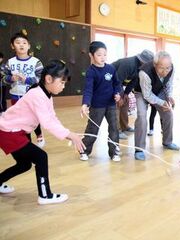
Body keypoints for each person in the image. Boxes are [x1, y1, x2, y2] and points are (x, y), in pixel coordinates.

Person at [0, 60, 85, 204]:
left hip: (13, 131)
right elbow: (47, 123)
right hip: (9, 132)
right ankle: (45, 195)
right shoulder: (37, 95)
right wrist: (70, 135)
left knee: (24, 164)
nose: (63, 87)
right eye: (62, 83)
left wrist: (68, 133)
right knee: (40, 157)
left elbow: (52, 117)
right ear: (48, 79)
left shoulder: (46, 94)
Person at [133, 51, 180, 160]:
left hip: (159, 90)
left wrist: (168, 96)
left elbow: (168, 84)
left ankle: (167, 142)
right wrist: (161, 102)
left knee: (168, 113)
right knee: (141, 117)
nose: (165, 71)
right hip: (142, 93)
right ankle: (139, 149)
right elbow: (147, 95)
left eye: (168, 68)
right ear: (155, 65)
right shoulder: (144, 72)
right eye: (161, 68)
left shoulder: (171, 68)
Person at [1, 32, 45, 148]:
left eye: (24, 43)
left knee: (34, 117)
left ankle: (39, 134)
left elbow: (42, 79)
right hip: (16, 96)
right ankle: (27, 144)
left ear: (29, 46)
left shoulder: (36, 62)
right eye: (18, 43)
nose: (21, 45)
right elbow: (3, 78)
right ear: (12, 46)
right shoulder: (10, 62)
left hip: (32, 96)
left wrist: (28, 80)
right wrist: (11, 78)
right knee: (21, 120)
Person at [80, 41, 121, 162]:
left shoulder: (111, 68)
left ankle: (114, 152)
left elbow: (117, 84)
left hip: (111, 105)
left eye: (104, 54)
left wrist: (117, 94)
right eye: (99, 55)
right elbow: (88, 90)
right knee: (93, 128)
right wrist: (85, 104)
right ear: (91, 55)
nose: (102, 57)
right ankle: (84, 150)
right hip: (97, 106)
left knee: (114, 128)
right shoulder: (91, 72)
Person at [112, 50, 154, 139]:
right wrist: (119, 97)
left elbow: (133, 81)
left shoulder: (141, 67)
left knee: (125, 102)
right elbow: (117, 81)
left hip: (118, 83)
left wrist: (126, 94)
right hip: (109, 81)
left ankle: (125, 126)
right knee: (116, 104)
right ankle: (116, 131)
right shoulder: (128, 64)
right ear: (142, 60)